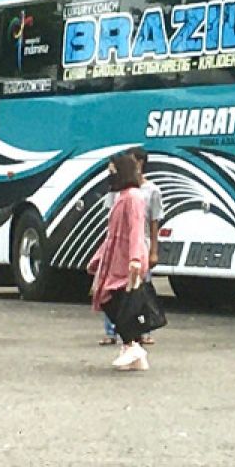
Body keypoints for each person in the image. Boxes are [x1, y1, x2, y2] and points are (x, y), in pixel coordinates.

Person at [88, 153, 151, 371]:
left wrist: (134, 259)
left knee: (113, 300)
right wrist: (97, 259)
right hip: (117, 257)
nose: (109, 175)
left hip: (126, 259)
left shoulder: (132, 197)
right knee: (117, 301)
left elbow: (135, 231)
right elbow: (111, 234)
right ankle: (131, 351)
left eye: (112, 171)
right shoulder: (122, 196)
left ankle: (131, 345)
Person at [100, 146, 163, 347]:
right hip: (118, 252)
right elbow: (111, 227)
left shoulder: (143, 194)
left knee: (135, 296)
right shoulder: (118, 193)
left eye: (113, 171)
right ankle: (116, 332)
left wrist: (146, 254)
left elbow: (147, 225)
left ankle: (137, 334)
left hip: (135, 251)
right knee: (114, 294)